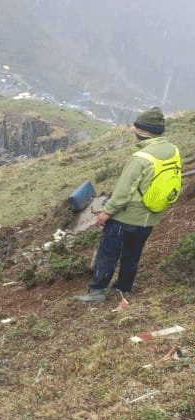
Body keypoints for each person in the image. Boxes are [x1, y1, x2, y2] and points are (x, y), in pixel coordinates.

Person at [76, 107, 182, 302]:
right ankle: (123, 288)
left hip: (126, 217)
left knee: (108, 253)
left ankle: (97, 291)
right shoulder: (173, 150)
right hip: (150, 217)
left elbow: (123, 193)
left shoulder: (140, 158)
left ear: (141, 131)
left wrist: (105, 213)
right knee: (132, 254)